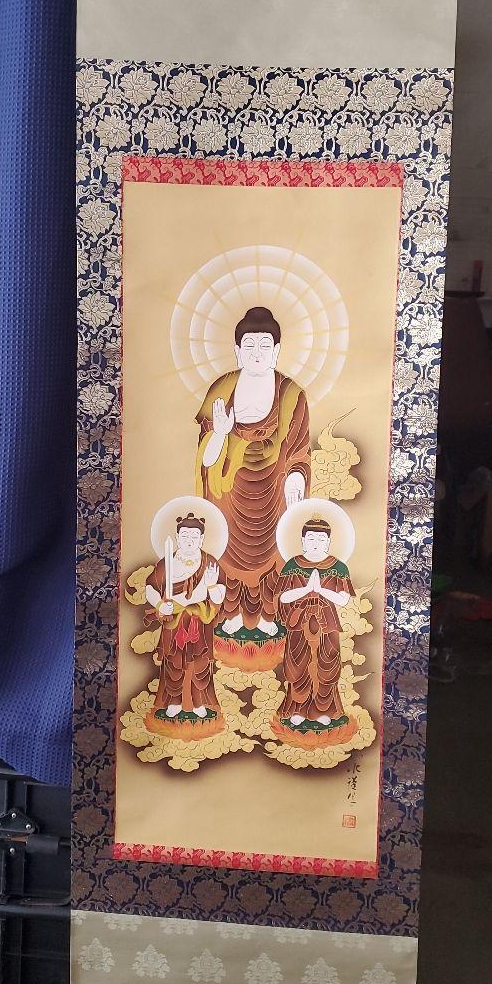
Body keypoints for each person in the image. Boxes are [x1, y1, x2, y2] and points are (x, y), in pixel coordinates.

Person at [195, 306, 309, 638]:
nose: (257, 353)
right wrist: (220, 433)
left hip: (275, 486)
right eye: (249, 345)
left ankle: (268, 613)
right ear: (237, 350)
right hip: (229, 486)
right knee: (228, 546)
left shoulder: (292, 394)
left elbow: (299, 449)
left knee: (272, 546)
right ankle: (230, 612)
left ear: (276, 350)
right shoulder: (221, 390)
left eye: (264, 345)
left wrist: (296, 477)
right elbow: (206, 459)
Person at [143, 513, 226, 737]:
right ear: (177, 537)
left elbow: (219, 597)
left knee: (200, 661)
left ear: (202, 539)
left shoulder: (209, 563)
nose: (189, 540)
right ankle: (173, 701)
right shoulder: (167, 563)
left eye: (194, 536)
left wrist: (210, 586)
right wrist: (161, 604)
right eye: (185, 535)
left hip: (199, 622)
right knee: (174, 660)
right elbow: (150, 588)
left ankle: (199, 702)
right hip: (174, 621)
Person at [275, 517, 355, 736]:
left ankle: (324, 710)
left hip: (326, 623)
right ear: (302, 540)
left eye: (321, 539)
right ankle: (298, 709)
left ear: (328, 541)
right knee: (298, 664)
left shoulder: (337, 566)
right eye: (311, 538)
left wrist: (320, 590)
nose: (316, 543)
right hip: (299, 622)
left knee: (325, 664)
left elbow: (343, 599)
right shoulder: (293, 565)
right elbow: (283, 597)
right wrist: (306, 589)